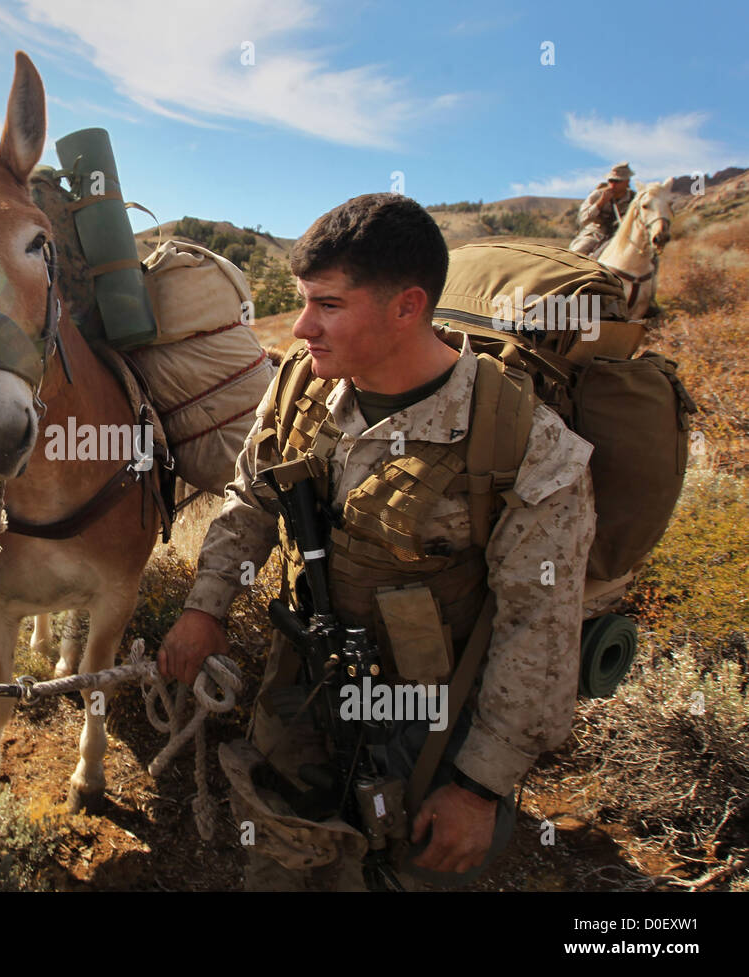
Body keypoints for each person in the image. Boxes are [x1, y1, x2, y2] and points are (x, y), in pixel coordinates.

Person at [157, 193, 596, 890]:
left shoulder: (525, 445)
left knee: (405, 870)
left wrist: (479, 788)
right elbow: (251, 500)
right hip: (309, 674)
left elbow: (538, 627)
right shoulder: (302, 388)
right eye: (304, 302)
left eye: (328, 305)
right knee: (282, 848)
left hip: (431, 721)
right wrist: (205, 607)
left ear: (406, 307)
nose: (302, 327)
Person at [570, 162, 635, 257]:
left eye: (617, 181)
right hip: (595, 234)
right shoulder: (597, 195)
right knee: (577, 252)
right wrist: (600, 203)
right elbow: (582, 219)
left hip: (620, 237)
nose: (613, 184)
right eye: (611, 180)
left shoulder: (634, 199)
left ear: (627, 182)